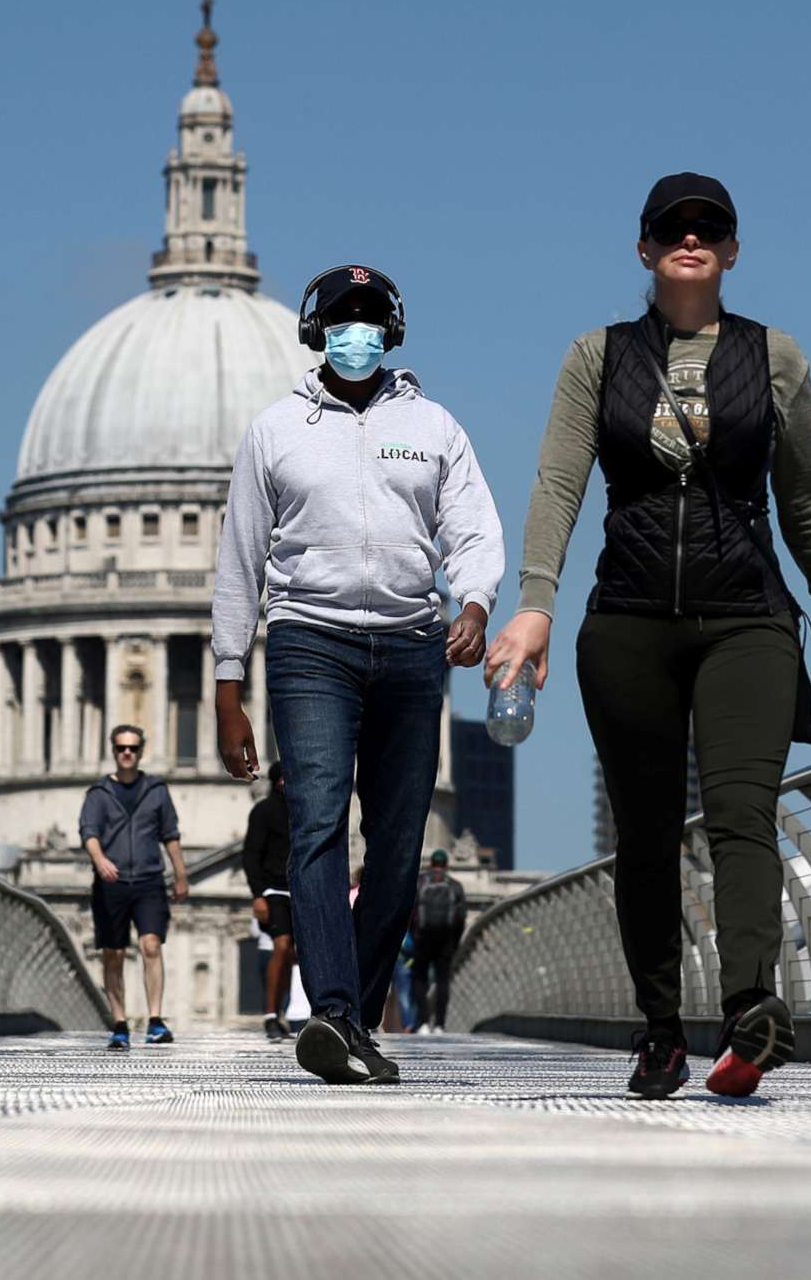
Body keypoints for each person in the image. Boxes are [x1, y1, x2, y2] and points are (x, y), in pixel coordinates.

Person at [485, 173, 811, 1101]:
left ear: (733, 250)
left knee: (743, 813)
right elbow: (558, 482)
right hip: (627, 622)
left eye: (710, 228)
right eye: (672, 228)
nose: (690, 238)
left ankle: (749, 1011)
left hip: (749, 617)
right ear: (646, 248)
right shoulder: (597, 356)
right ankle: (659, 1030)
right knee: (648, 834)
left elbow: (805, 493)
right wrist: (535, 603)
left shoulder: (776, 357)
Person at [213, 264, 505, 1087]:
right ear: (316, 329)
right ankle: (334, 1008)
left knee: (400, 846)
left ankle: (354, 1018)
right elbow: (239, 560)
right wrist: (228, 680)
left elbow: (474, 526)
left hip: (412, 643)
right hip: (309, 640)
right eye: (343, 315)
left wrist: (475, 603)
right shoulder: (275, 429)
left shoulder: (435, 425)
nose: (357, 327)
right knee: (314, 822)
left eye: (371, 315)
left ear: (395, 328)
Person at [79, 724, 189, 1049]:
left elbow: (170, 834)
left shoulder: (157, 791)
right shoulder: (98, 794)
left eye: (133, 748)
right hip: (110, 883)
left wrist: (180, 874)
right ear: (113, 752)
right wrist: (99, 860)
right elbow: (88, 832)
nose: (127, 753)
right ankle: (120, 1023)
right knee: (113, 953)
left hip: (148, 879)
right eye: (121, 748)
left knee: (151, 945)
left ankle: (155, 1019)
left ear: (141, 752)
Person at [241, 758, 296, 1042]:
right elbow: (250, 854)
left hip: (300, 892)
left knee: (292, 956)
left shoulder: (305, 812)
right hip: (274, 891)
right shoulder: (264, 812)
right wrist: (257, 895)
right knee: (282, 945)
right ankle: (270, 1015)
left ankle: (283, 1011)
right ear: (278, 782)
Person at [409, 848, 468, 1034]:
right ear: (446, 866)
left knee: (419, 978)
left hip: (423, 938)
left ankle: (424, 1022)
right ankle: (440, 1025)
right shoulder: (455, 886)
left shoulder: (420, 882)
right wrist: (455, 941)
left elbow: (410, 912)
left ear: (431, 864)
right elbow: (461, 917)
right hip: (446, 940)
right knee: (442, 981)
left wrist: (414, 934)